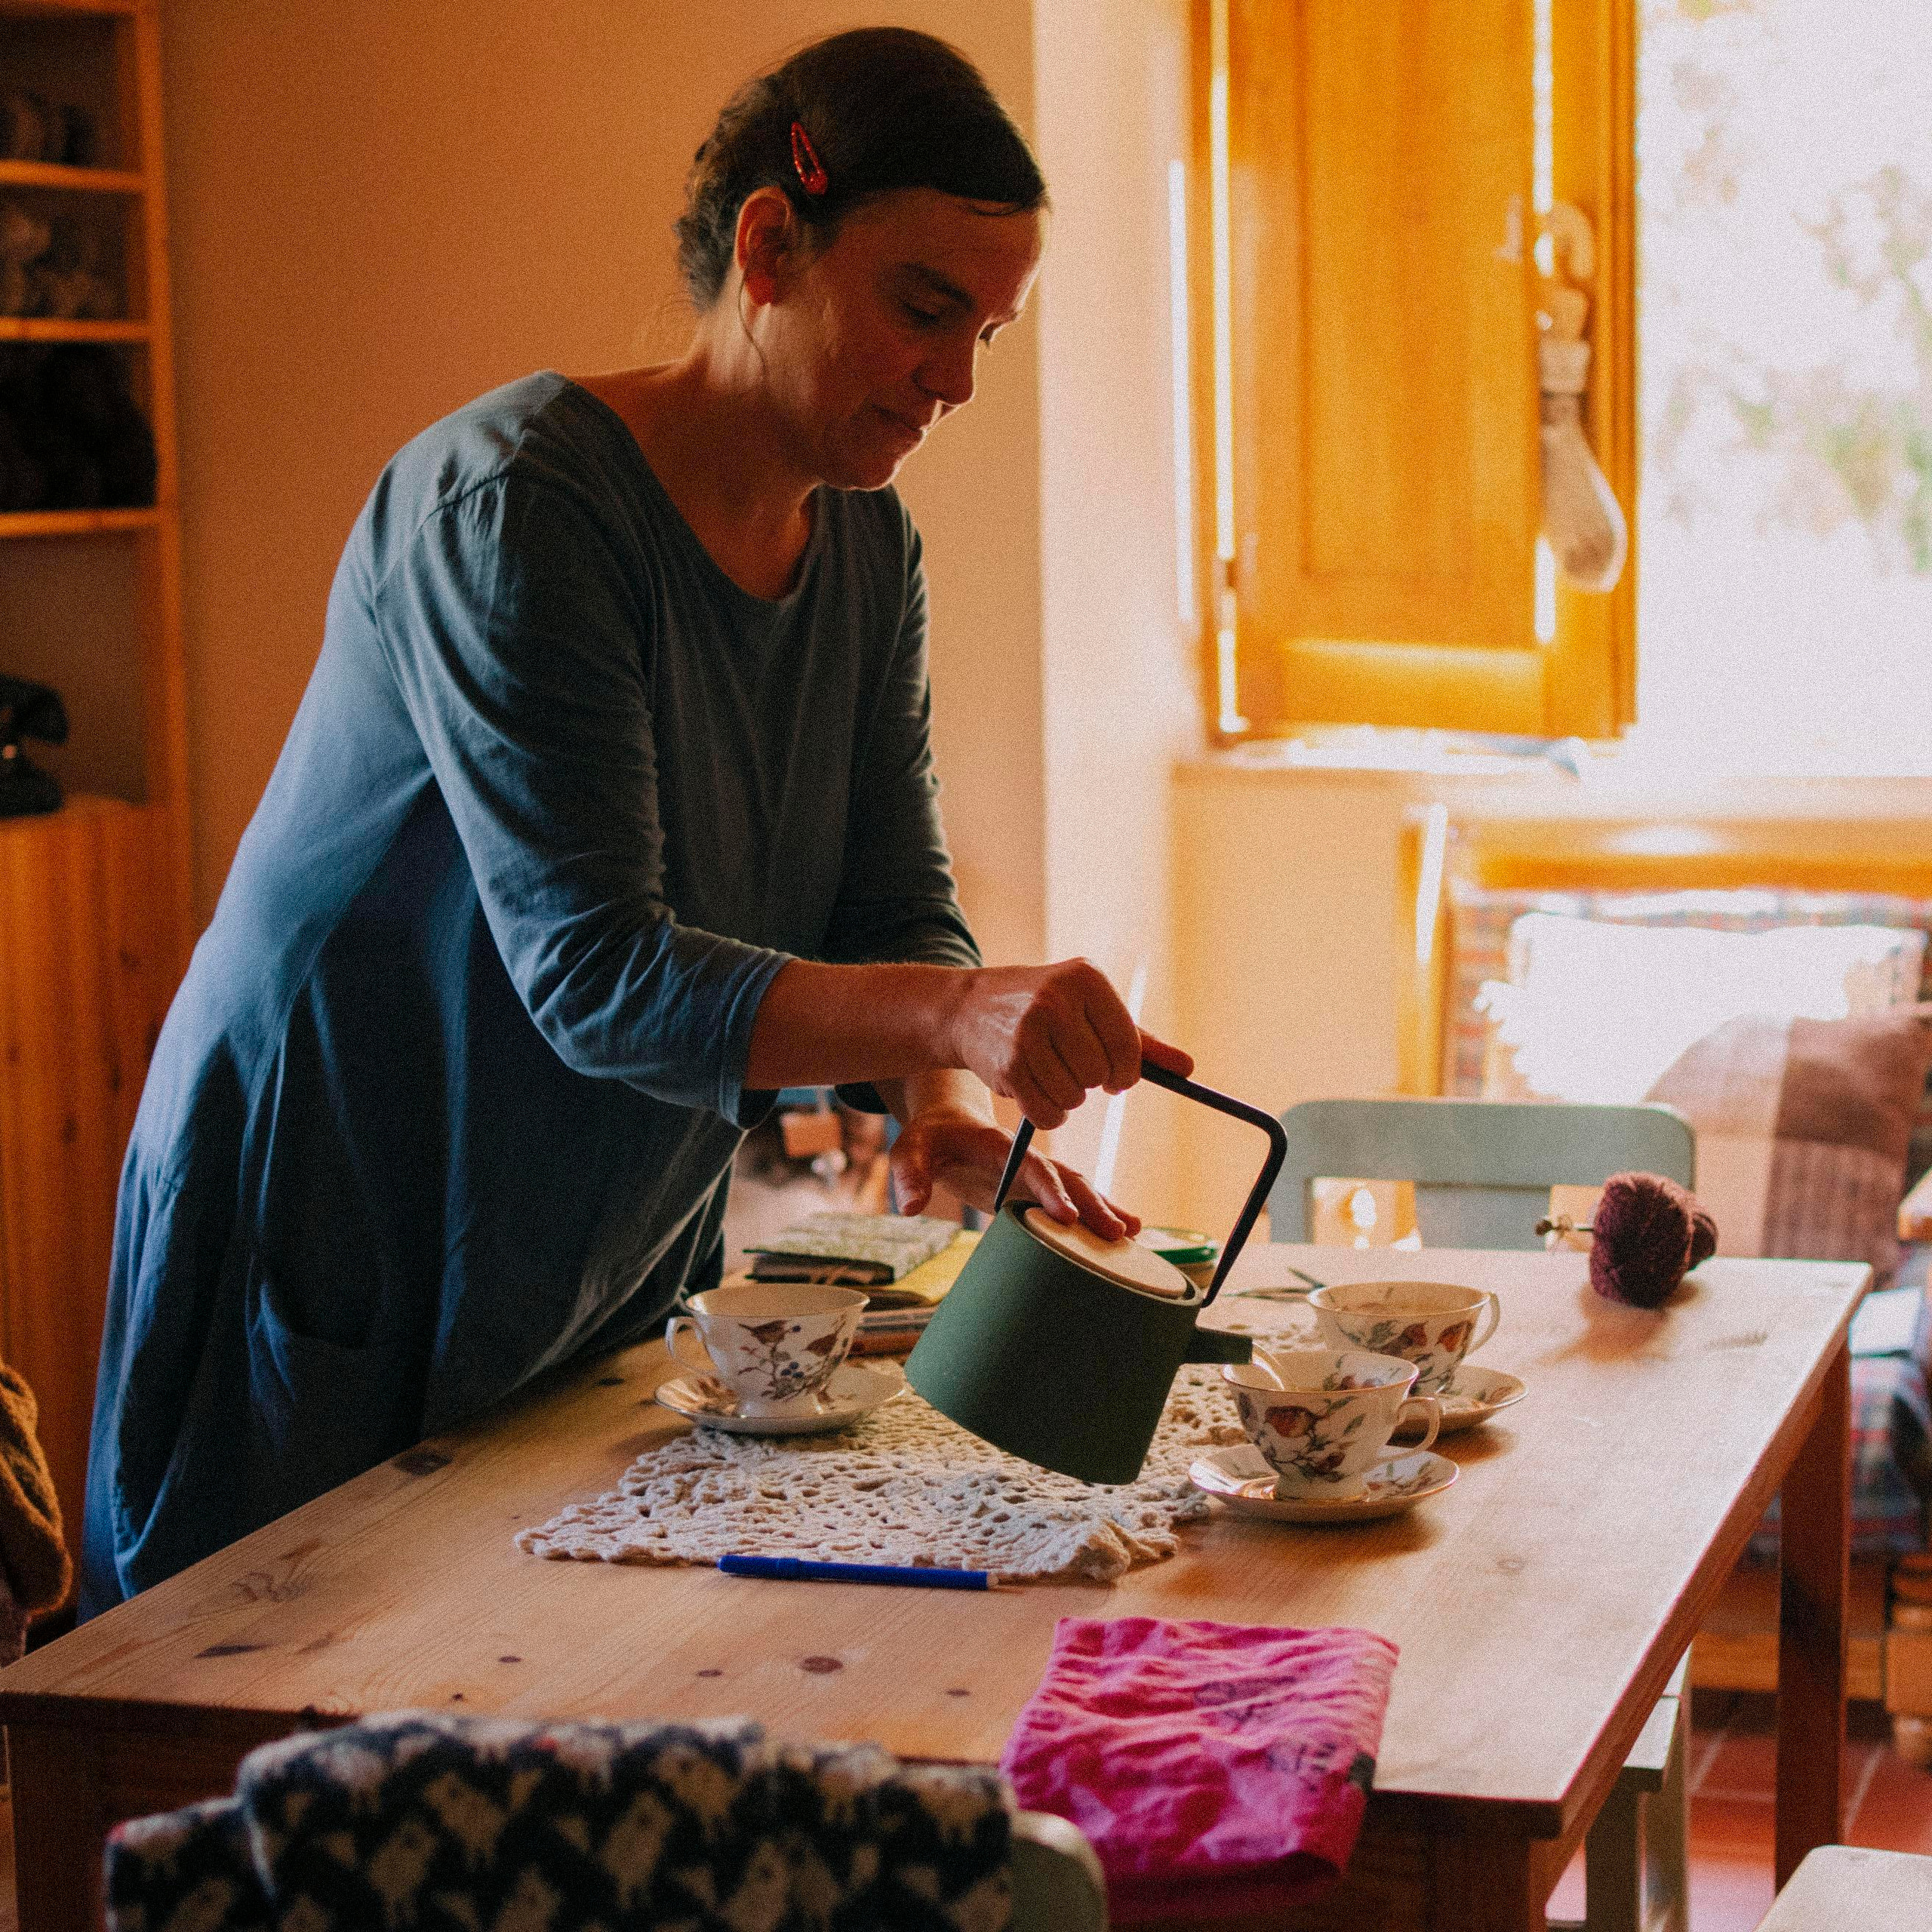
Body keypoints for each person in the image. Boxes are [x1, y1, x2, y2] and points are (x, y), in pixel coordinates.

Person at [79, 28, 1189, 1618]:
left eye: (986, 333)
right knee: (254, 1764)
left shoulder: (869, 559)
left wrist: (933, 1098)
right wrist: (956, 1006)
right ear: (767, 246)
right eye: (923, 307)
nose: (951, 377)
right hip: (333, 1215)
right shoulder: (515, 506)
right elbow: (597, 972)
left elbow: (895, 899)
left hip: (579, 1239)